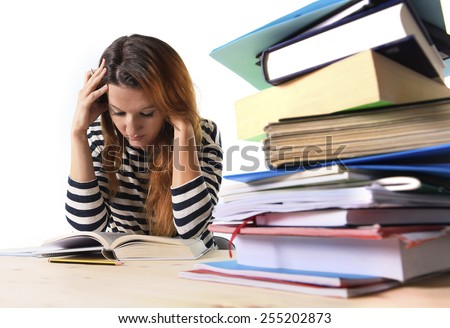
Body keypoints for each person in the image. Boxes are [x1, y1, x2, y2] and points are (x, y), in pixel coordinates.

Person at [66, 34, 223, 249]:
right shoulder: (98, 137)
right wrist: (78, 132)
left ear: (169, 104)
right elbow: (87, 228)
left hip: (189, 269)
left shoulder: (203, 134)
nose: (131, 129)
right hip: (129, 271)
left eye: (147, 113)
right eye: (118, 113)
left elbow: (192, 229)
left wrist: (183, 128)